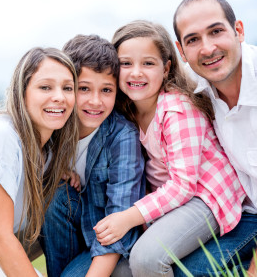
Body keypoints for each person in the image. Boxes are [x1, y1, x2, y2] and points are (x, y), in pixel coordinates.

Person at [93, 20, 246, 277]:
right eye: (126, 63)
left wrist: (129, 218)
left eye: (148, 63)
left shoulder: (177, 109)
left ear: (166, 69)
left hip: (205, 196)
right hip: (171, 200)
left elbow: (184, 185)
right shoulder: (126, 110)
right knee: (120, 271)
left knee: (147, 259)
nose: (136, 72)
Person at [39, 34, 145, 277]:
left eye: (106, 90)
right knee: (55, 195)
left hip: (110, 241)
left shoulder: (122, 135)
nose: (95, 101)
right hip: (70, 232)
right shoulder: (54, 124)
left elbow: (119, 217)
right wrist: (53, 169)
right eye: (84, 88)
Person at [172, 0, 257, 276]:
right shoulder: (195, 84)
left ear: (239, 31)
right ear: (181, 51)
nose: (207, 48)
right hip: (245, 214)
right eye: (193, 40)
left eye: (216, 31)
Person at [0, 47, 78, 276]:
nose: (59, 96)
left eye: (68, 88)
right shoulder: (3, 136)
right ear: (22, 93)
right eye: (45, 87)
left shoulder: (47, 154)